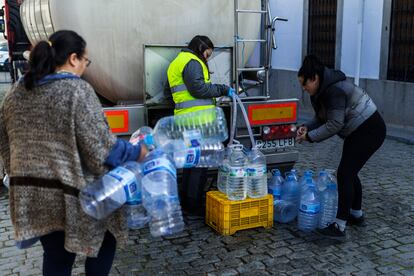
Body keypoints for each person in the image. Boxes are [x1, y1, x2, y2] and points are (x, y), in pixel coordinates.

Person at [0, 30, 147, 275]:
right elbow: (100, 149)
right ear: (73, 58)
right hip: (71, 197)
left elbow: (5, 141)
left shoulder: (16, 92)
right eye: (85, 61)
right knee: (104, 240)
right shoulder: (76, 91)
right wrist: (136, 151)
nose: (85, 67)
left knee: (56, 258)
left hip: (33, 195)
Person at [296, 54, 386, 240]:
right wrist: (306, 127)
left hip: (369, 128)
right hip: (359, 129)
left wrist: (310, 137)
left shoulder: (333, 91)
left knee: (345, 173)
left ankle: (339, 226)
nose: (304, 89)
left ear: (315, 78)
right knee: (350, 171)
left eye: (305, 84)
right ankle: (356, 215)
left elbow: (335, 124)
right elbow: (322, 118)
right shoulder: (321, 91)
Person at [165, 35, 234, 217]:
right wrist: (223, 89)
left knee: (192, 162)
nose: (208, 57)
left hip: (186, 120)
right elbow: (199, 89)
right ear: (200, 48)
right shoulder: (193, 61)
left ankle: (188, 200)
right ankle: (194, 204)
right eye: (207, 53)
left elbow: (174, 91)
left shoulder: (178, 61)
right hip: (196, 121)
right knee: (200, 164)